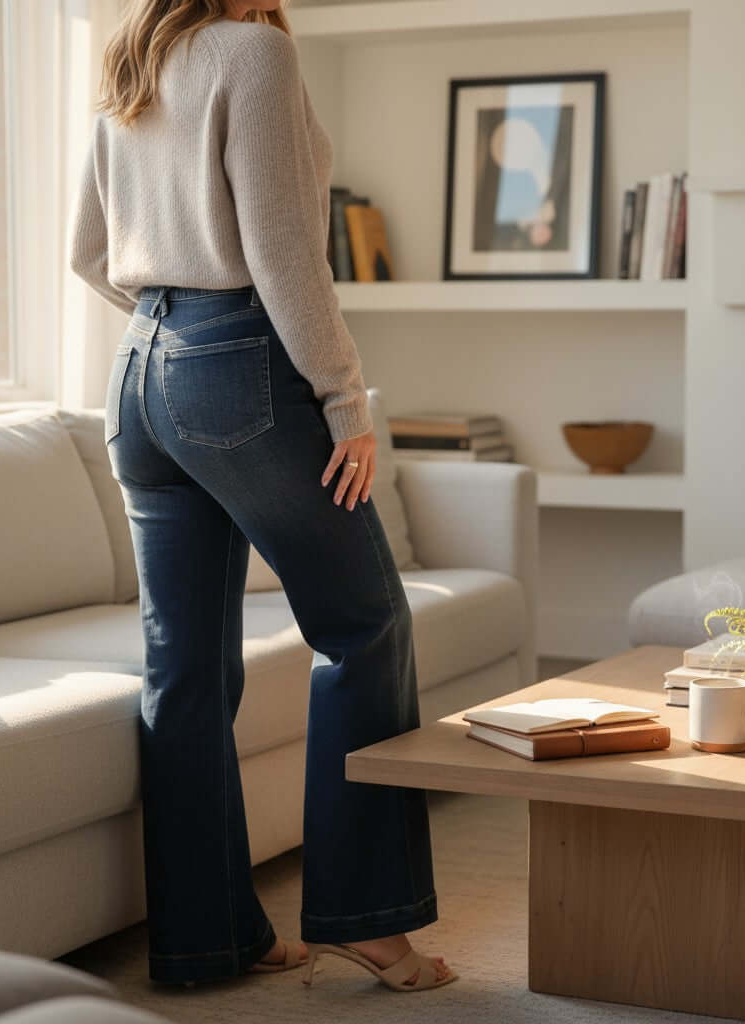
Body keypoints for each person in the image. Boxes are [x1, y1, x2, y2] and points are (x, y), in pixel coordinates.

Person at [66, 0, 456, 994]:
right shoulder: (256, 54)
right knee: (364, 627)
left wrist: (173, 320)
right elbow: (285, 251)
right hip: (238, 364)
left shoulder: (133, 59)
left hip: (140, 374)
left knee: (185, 670)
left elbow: (89, 252)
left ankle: (204, 941)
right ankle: (368, 920)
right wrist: (344, 398)